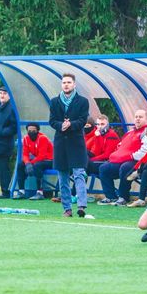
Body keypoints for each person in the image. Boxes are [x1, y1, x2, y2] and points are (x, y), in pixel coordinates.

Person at [49, 73, 89, 217]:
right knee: (63, 177)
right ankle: (67, 209)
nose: (66, 85)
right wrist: (61, 125)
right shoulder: (54, 101)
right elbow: (52, 121)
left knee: (79, 174)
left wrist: (71, 124)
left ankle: (81, 206)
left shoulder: (83, 101)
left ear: (74, 84)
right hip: (61, 143)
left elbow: (83, 120)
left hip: (76, 143)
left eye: (69, 82)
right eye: (64, 82)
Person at [97, 110, 147, 206]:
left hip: (138, 162)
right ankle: (111, 197)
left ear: (146, 119)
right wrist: (117, 156)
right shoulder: (130, 132)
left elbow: (145, 151)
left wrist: (130, 156)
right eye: (136, 117)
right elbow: (120, 146)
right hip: (123, 160)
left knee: (125, 167)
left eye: (140, 117)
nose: (138, 119)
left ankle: (123, 197)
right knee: (104, 168)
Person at [13, 123, 53, 200]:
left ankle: (40, 193)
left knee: (37, 165)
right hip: (39, 160)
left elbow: (42, 156)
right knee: (20, 165)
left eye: (34, 130)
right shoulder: (26, 139)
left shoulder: (42, 138)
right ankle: (21, 191)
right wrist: (27, 163)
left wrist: (30, 164)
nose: (31, 132)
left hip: (50, 160)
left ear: (38, 131)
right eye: (29, 130)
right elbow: (25, 155)